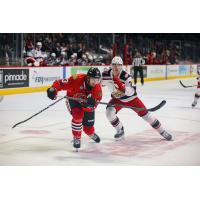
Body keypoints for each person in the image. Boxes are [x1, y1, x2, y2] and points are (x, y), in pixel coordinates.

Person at [102, 56, 172, 141]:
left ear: (122, 66)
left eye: (118, 65)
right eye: (114, 65)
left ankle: (162, 131)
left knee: (147, 116)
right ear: (111, 65)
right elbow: (99, 84)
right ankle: (120, 130)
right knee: (109, 113)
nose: (116, 67)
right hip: (118, 99)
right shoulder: (105, 74)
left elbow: (130, 92)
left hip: (131, 99)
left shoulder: (126, 77)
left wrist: (120, 85)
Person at [47, 67, 102, 150]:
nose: (95, 82)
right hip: (73, 99)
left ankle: (90, 133)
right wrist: (53, 89)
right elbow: (60, 83)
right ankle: (77, 137)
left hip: (87, 106)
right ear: (88, 78)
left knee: (88, 127)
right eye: (93, 79)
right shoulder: (76, 79)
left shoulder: (98, 90)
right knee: (78, 116)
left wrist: (90, 105)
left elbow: (94, 106)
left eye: (97, 80)